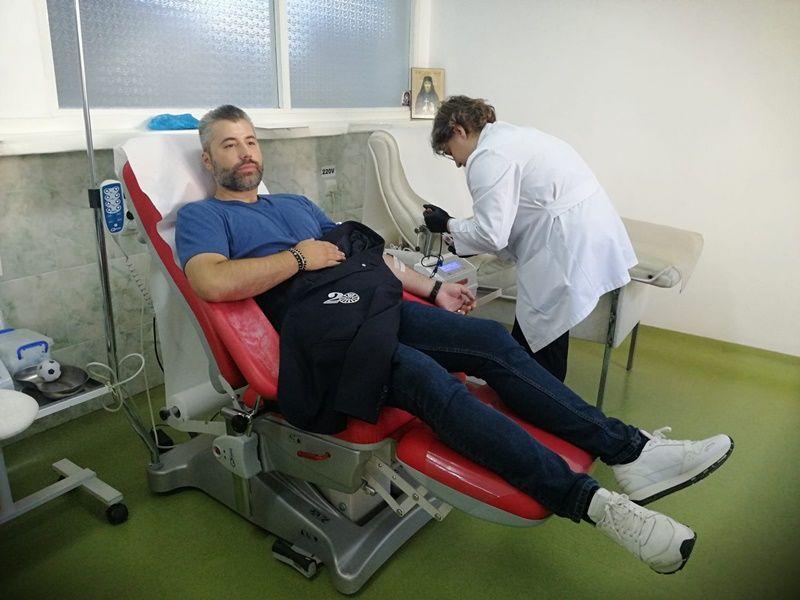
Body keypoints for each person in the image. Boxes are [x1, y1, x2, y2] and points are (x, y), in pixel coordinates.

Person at [176, 105, 734, 575]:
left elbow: (368, 258)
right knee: (427, 378)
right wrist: (299, 258)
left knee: (489, 340)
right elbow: (210, 281)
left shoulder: (295, 204)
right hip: (323, 334)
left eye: (251, 141)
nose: (245, 153)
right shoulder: (205, 216)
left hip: (373, 304)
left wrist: (435, 288)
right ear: (208, 160)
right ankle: (595, 505)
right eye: (229, 145)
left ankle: (630, 450)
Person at [423, 96, 637, 382]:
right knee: (542, 336)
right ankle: (541, 399)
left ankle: (542, 402)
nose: (458, 163)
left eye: (451, 153)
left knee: (540, 338)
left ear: (458, 130)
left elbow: (491, 234)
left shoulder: (487, 156)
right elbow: (512, 212)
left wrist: (447, 224)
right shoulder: (511, 137)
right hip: (584, 230)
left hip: (564, 243)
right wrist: (459, 234)